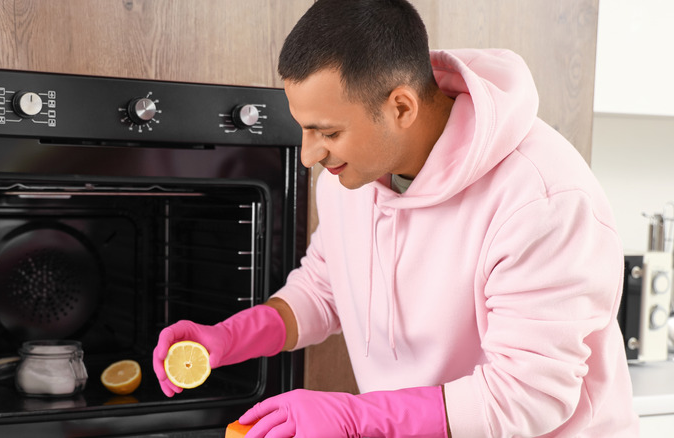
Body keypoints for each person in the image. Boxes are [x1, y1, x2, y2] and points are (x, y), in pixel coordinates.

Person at [153, 0, 640, 436]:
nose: (308, 155)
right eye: (304, 129)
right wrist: (228, 338)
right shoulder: (351, 178)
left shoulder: (542, 199)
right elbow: (326, 286)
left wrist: (354, 417)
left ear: (401, 106)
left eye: (328, 131)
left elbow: (528, 398)